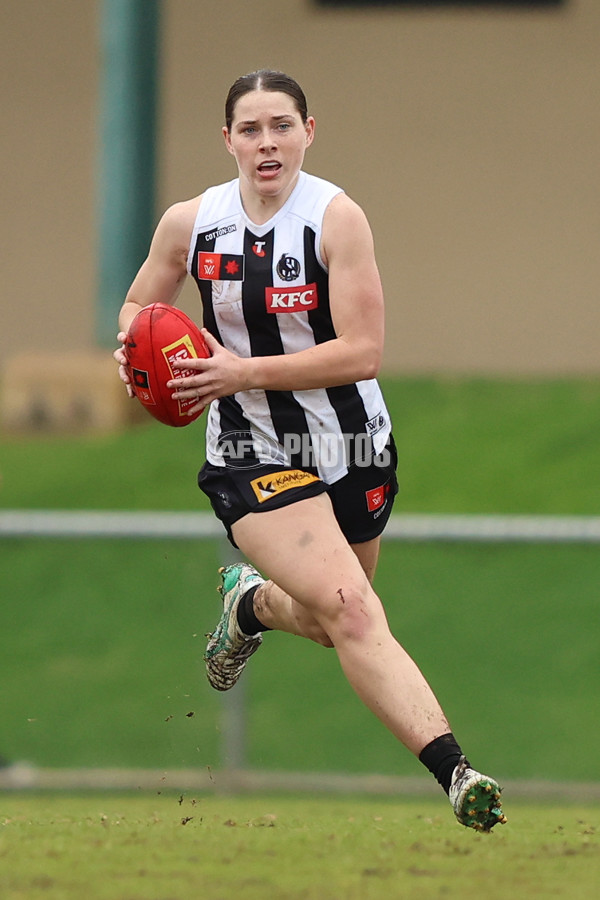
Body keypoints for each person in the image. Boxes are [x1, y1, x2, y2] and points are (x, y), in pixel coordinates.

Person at [114, 69, 506, 832]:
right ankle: (457, 773)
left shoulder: (336, 218)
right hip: (252, 447)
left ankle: (249, 604)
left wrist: (241, 368)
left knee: (336, 620)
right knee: (355, 610)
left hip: (353, 441)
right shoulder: (190, 223)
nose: (268, 143)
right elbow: (138, 307)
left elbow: (363, 352)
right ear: (227, 139)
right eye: (251, 129)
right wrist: (136, 357)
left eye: (282, 126)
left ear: (308, 131)